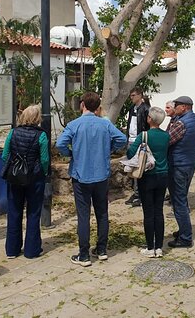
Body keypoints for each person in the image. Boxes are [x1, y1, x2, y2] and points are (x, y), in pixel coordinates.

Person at [56, 92, 126, 267]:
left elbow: (60, 144)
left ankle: (84, 254)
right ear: (97, 107)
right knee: (102, 213)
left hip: (81, 175)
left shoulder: (74, 124)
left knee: (83, 215)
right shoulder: (105, 124)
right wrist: (109, 150)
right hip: (101, 174)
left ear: (82, 105)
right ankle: (101, 250)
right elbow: (122, 138)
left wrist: (71, 154)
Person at [2, 105, 49, 259]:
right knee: (33, 212)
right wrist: (44, 172)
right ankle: (31, 250)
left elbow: (4, 155)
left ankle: (12, 249)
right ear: (37, 118)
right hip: (34, 178)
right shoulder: (41, 136)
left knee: (14, 211)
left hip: (15, 177)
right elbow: (44, 159)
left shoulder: (12, 133)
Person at [126, 107, 169, 258]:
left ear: (149, 119)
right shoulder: (166, 136)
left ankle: (150, 246)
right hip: (163, 174)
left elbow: (130, 152)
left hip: (148, 176)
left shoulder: (144, 135)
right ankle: (159, 247)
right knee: (159, 211)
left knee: (148, 212)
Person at [167, 95, 195, 248]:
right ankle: (184, 229)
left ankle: (185, 237)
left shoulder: (181, 123)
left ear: (184, 107)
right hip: (190, 164)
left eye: (176, 106)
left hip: (178, 165)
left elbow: (167, 140)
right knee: (183, 198)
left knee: (178, 201)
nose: (174, 109)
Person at [125, 88, 151, 208]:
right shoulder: (132, 109)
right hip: (131, 140)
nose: (131, 97)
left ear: (140, 95)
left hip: (140, 141)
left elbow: (147, 126)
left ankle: (140, 195)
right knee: (132, 168)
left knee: (140, 168)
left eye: (133, 95)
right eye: (130, 95)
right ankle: (136, 193)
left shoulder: (145, 109)